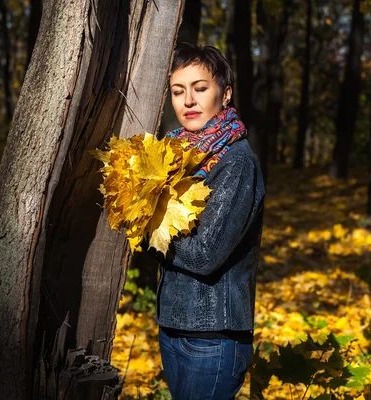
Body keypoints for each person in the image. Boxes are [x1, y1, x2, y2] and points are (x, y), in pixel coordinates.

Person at [153, 43, 265, 399]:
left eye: (200, 88)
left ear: (225, 93)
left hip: (213, 336)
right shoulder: (175, 158)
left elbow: (204, 255)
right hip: (173, 325)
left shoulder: (236, 162)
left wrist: (147, 226)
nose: (189, 100)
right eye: (178, 91)